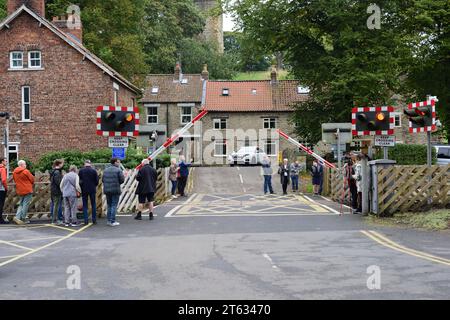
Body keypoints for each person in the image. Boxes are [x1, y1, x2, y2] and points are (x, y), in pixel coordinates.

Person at [102, 158, 125, 227]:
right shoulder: (118, 170)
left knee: (109, 205)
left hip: (107, 190)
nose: (119, 163)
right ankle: (113, 221)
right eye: (118, 162)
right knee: (114, 205)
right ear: (115, 162)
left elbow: (103, 180)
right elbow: (122, 180)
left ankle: (109, 220)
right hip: (115, 190)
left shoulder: (105, 170)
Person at [12, 160, 35, 225]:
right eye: (25, 164)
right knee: (25, 204)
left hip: (20, 190)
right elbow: (32, 179)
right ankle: (23, 218)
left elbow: (15, 180)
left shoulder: (14, 172)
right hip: (27, 189)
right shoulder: (26, 171)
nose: (26, 165)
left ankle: (17, 217)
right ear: (22, 165)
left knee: (21, 204)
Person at [79, 160, 99, 225]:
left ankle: (86, 220)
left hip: (84, 189)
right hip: (92, 189)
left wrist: (82, 186)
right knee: (93, 204)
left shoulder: (81, 171)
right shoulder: (93, 171)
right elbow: (97, 181)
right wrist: (94, 185)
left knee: (85, 205)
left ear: (85, 164)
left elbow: (80, 181)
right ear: (90, 164)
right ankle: (94, 220)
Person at [49, 159, 64, 225]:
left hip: (53, 190)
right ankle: (55, 220)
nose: (63, 165)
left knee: (54, 205)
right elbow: (58, 183)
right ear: (59, 164)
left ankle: (54, 219)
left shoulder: (54, 171)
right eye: (62, 163)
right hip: (57, 191)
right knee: (56, 205)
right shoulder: (57, 172)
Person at [0, 158, 8, 224]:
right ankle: (1, 220)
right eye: (5, 161)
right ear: (2, 162)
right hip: (1, 189)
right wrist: (6, 187)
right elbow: (3, 180)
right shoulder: (2, 169)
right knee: (1, 204)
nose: (6, 162)